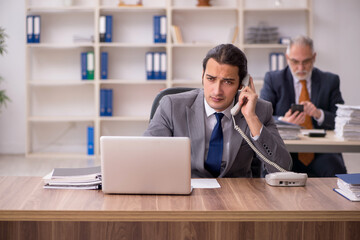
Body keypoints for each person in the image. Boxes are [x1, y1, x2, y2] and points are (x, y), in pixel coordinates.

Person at [144, 44, 292, 178]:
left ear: (242, 84)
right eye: (211, 79)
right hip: (187, 191)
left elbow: (282, 169)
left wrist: (251, 118)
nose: (217, 91)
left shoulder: (259, 110)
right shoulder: (171, 106)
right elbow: (145, 158)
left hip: (239, 197)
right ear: (202, 76)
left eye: (228, 82)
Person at [260, 35, 347, 177]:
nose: (300, 68)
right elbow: (261, 118)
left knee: (335, 168)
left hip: (321, 152)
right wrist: (283, 121)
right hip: (285, 150)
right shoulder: (273, 79)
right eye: (295, 62)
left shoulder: (330, 81)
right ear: (287, 58)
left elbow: (341, 120)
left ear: (314, 57)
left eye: (306, 61)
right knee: (269, 169)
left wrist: (320, 114)